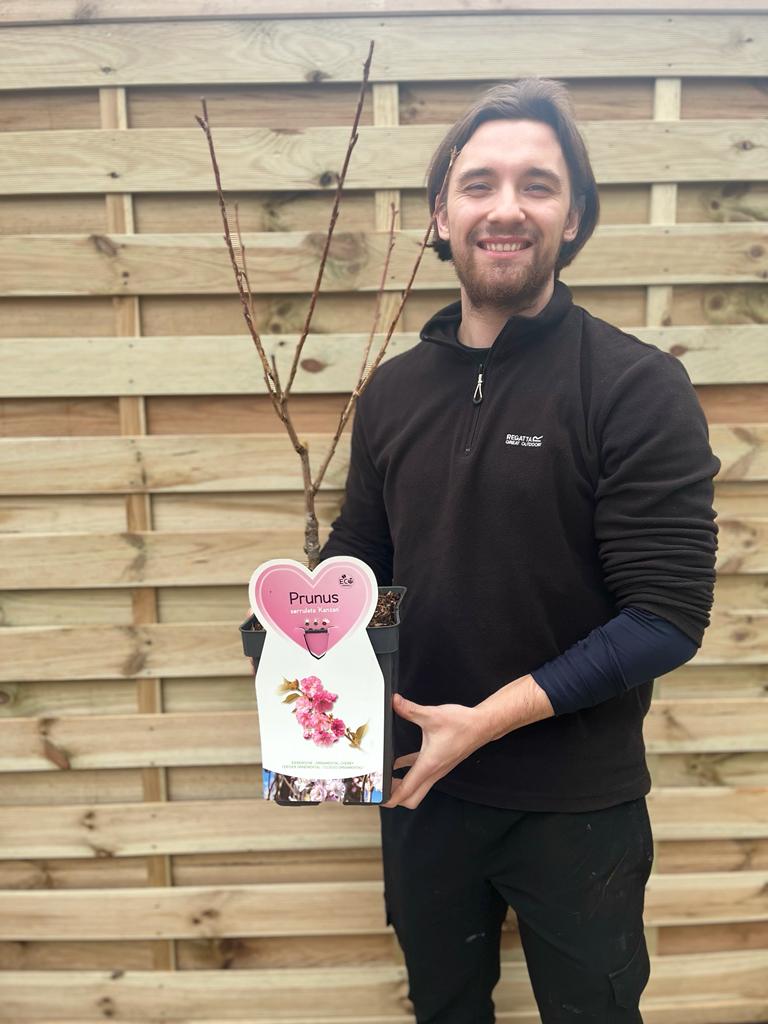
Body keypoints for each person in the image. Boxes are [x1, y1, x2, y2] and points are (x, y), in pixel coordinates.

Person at [318, 78, 720, 1023]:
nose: (506, 207)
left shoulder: (635, 387)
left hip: (577, 807)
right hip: (423, 790)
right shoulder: (393, 393)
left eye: (537, 184)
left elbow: (665, 617)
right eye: (480, 183)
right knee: (444, 1008)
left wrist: (486, 720)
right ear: (441, 214)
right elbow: (361, 559)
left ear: (573, 216)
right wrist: (294, 633)